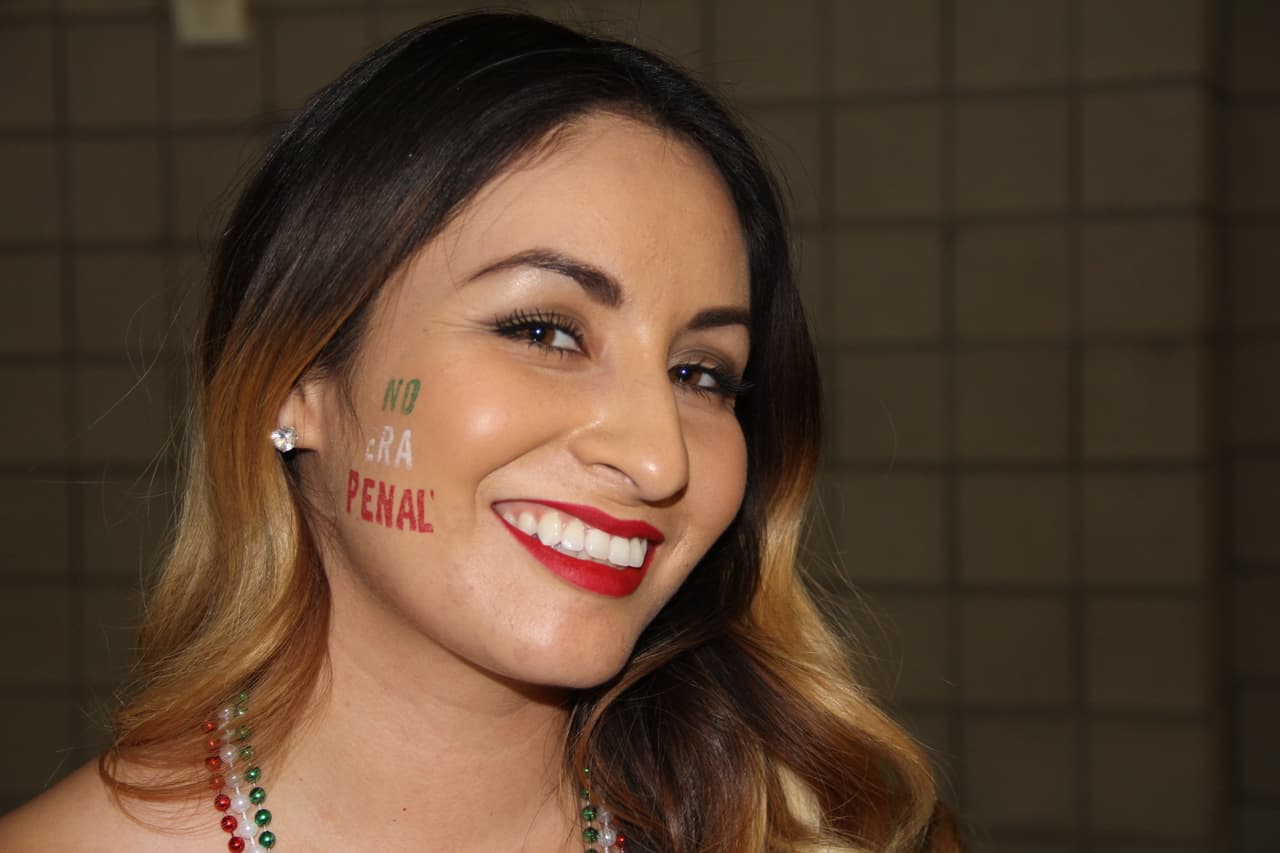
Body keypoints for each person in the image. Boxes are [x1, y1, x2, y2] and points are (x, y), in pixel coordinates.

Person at [0, 12, 960, 852]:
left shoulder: (838, 828)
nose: (660, 457)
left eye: (700, 374)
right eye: (544, 330)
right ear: (296, 383)